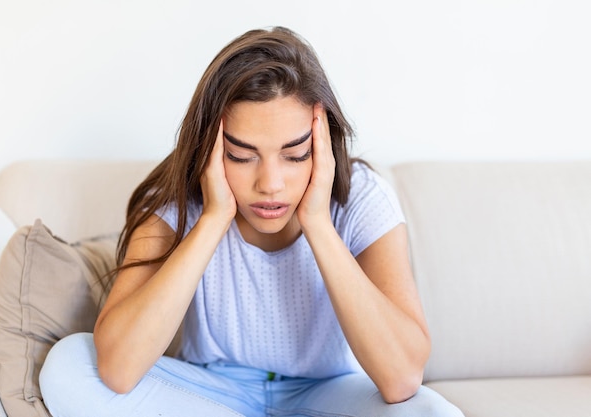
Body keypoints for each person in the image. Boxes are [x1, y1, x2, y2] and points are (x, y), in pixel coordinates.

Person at [39, 26, 464, 417]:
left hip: (330, 394)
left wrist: (317, 222)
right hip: (212, 394)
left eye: (295, 155)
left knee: (434, 412)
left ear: (321, 145)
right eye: (242, 156)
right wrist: (212, 218)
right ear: (209, 147)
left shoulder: (363, 199)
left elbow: (402, 378)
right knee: (69, 367)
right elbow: (118, 369)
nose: (271, 184)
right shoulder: (171, 203)